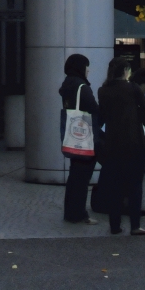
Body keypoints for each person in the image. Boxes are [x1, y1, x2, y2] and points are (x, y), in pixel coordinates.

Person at [95, 57, 145, 235]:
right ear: (126, 71)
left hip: (112, 143)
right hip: (134, 143)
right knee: (134, 185)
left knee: (115, 186)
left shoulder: (103, 90)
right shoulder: (132, 88)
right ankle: (135, 225)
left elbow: (103, 116)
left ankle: (115, 225)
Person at [59, 53, 99, 225]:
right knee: (82, 177)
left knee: (74, 176)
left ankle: (71, 211)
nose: (88, 70)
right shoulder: (81, 86)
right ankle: (78, 213)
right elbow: (93, 108)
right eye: (86, 66)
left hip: (72, 135)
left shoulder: (67, 83)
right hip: (85, 137)